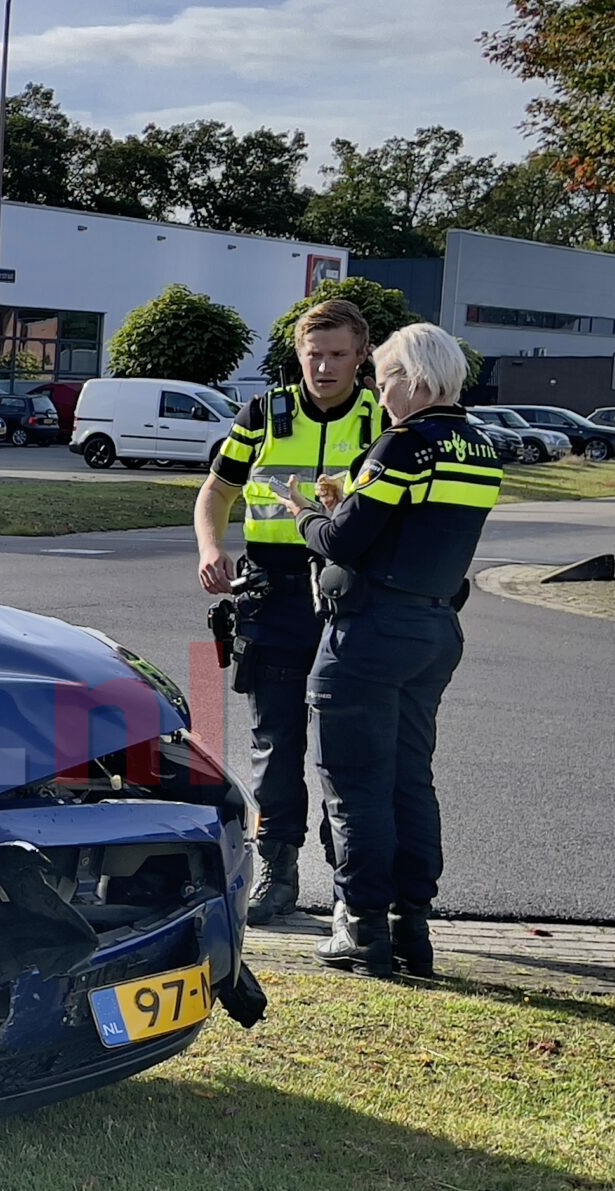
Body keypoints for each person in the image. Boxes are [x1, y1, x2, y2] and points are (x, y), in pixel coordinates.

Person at [276, 323, 500, 978]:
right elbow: (415, 527)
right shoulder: (479, 447)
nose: (377, 388)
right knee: (410, 781)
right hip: (434, 629)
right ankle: (413, 927)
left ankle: (362, 927)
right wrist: (351, 505)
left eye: (383, 375)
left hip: (369, 632)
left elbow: (343, 542)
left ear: (415, 379)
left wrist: (305, 515)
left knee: (354, 787)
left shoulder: (402, 444)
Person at [195, 300, 386, 925]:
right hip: (271, 596)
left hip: (350, 596)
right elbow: (217, 492)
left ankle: (348, 882)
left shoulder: (381, 417)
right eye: (314, 355)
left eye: (337, 355)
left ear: (362, 356)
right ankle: (277, 870)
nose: (324, 367)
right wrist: (209, 548)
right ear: (298, 356)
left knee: (346, 744)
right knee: (275, 742)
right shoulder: (265, 414)